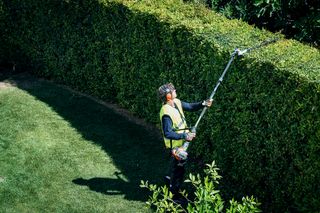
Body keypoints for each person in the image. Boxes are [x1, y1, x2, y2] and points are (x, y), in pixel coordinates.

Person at [158, 83, 212, 201]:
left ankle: (168, 180)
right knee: (179, 171)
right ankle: (174, 196)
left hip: (182, 144)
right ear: (168, 96)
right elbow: (168, 133)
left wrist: (203, 103)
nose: (175, 90)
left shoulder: (176, 102)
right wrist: (185, 135)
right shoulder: (166, 112)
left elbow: (190, 107)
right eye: (172, 90)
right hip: (176, 148)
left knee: (176, 168)